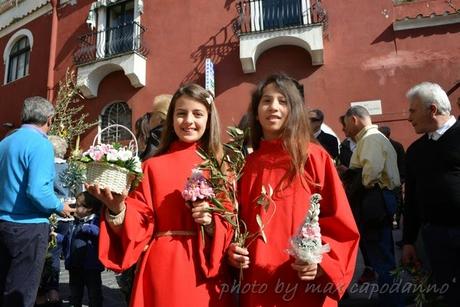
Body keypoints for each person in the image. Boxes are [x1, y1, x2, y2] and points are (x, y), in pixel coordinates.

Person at [86, 84, 233, 307]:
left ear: (209, 118)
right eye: (181, 113)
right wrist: (118, 209)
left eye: (198, 114)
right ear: (171, 119)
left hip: (208, 268)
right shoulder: (151, 167)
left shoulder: (222, 167)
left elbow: (234, 222)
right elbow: (139, 219)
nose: (189, 121)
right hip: (162, 267)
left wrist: (212, 223)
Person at [227, 74, 360, 306]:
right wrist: (231, 249)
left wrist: (321, 263)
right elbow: (234, 223)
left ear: (294, 110)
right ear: (256, 112)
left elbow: (340, 223)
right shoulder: (245, 166)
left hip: (303, 280)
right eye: (266, 101)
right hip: (258, 282)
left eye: (283, 101)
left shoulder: (314, 157)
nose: (274, 107)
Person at [0, 96, 75, 307]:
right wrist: (60, 207)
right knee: (21, 293)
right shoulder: (41, 144)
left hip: (3, 222)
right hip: (28, 228)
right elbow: (38, 191)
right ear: (49, 119)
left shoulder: (5, 142)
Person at [402, 82, 460, 307]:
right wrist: (408, 240)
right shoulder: (415, 151)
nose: (408, 117)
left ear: (432, 109)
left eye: (412, 110)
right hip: (435, 238)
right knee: (449, 295)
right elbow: (412, 200)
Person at [341, 105, 403, 306]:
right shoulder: (371, 139)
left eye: (345, 126)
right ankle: (391, 298)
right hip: (376, 200)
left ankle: (392, 301)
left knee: (381, 255)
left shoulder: (370, 139)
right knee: (381, 253)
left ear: (354, 120)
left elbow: (370, 174)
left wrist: (353, 180)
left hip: (373, 200)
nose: (345, 131)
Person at [36, 135, 72, 306]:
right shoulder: (71, 168)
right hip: (69, 216)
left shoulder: (48, 167)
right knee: (66, 253)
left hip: (53, 215)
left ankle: (50, 290)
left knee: (51, 255)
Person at [59, 191, 104, 307]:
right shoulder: (75, 222)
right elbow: (68, 239)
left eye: (78, 206)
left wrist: (86, 227)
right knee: (75, 293)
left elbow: (100, 232)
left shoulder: (95, 220)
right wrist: (57, 237)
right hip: (75, 264)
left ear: (89, 208)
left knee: (94, 294)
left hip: (91, 266)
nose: (75, 208)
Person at [139, 94, 173, 160]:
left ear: (160, 118)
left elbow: (149, 162)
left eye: (152, 114)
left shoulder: (156, 135)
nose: (150, 117)